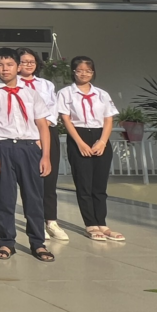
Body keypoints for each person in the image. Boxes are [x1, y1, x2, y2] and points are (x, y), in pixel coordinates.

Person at [0, 48, 54, 262]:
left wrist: (45, 155)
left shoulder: (31, 93)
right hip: (2, 147)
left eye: (10, 65)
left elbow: (43, 125)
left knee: (33, 197)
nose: (5, 69)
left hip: (28, 147)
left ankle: (38, 243)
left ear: (18, 66)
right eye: (0, 65)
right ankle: (6, 242)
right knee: (4, 197)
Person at [57, 56, 124, 243]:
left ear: (93, 73)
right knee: (84, 183)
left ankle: (102, 223)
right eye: (80, 70)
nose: (84, 74)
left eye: (88, 71)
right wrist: (79, 143)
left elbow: (108, 119)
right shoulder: (65, 93)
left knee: (100, 185)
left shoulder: (102, 94)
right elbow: (66, 119)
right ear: (73, 72)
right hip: (78, 136)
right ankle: (91, 224)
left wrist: (102, 141)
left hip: (100, 137)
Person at [18, 48, 68, 243]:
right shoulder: (13, 85)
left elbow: (53, 108)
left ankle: (51, 221)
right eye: (24, 61)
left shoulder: (46, 84)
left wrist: (44, 126)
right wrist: (34, 130)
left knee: (49, 179)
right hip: (26, 134)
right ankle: (35, 221)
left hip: (47, 131)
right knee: (30, 181)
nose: (28, 64)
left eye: (32, 61)